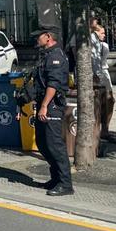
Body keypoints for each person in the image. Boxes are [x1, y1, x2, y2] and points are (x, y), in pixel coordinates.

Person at [32, 26, 73, 196]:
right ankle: (55, 178)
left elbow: (53, 84)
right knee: (42, 142)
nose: (36, 39)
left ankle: (66, 184)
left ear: (48, 37)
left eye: (39, 36)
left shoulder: (56, 56)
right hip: (44, 102)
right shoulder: (46, 55)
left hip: (52, 105)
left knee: (54, 145)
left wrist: (44, 106)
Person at [92, 23, 115, 140]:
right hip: (96, 75)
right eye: (102, 33)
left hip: (104, 74)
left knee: (110, 100)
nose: (104, 35)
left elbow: (103, 61)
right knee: (98, 102)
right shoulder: (91, 43)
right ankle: (97, 130)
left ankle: (105, 129)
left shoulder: (104, 46)